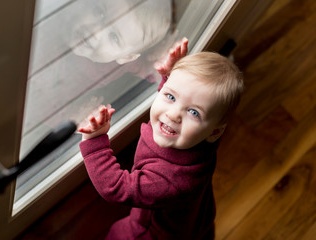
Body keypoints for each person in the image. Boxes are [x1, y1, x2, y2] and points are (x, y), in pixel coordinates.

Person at [78, 38, 244, 239]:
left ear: (214, 132)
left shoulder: (169, 180)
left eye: (193, 112)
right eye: (171, 97)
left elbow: (115, 187)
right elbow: (188, 99)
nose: (173, 114)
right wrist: (171, 76)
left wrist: (95, 142)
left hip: (151, 233)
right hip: (194, 218)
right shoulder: (204, 137)